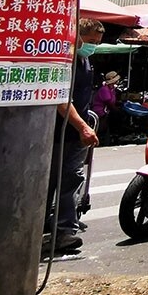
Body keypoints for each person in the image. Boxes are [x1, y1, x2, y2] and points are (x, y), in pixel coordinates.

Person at [45, 17, 103, 257]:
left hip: (77, 132)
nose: (93, 46)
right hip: (59, 131)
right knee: (52, 181)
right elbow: (60, 100)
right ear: (76, 36)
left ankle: (65, 229)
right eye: (90, 41)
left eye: (97, 42)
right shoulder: (63, 61)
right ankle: (49, 229)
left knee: (71, 177)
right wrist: (83, 127)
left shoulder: (85, 61)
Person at [91, 71, 123, 145]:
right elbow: (109, 103)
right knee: (103, 127)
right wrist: (117, 110)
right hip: (100, 112)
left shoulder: (111, 89)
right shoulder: (104, 89)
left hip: (106, 111)